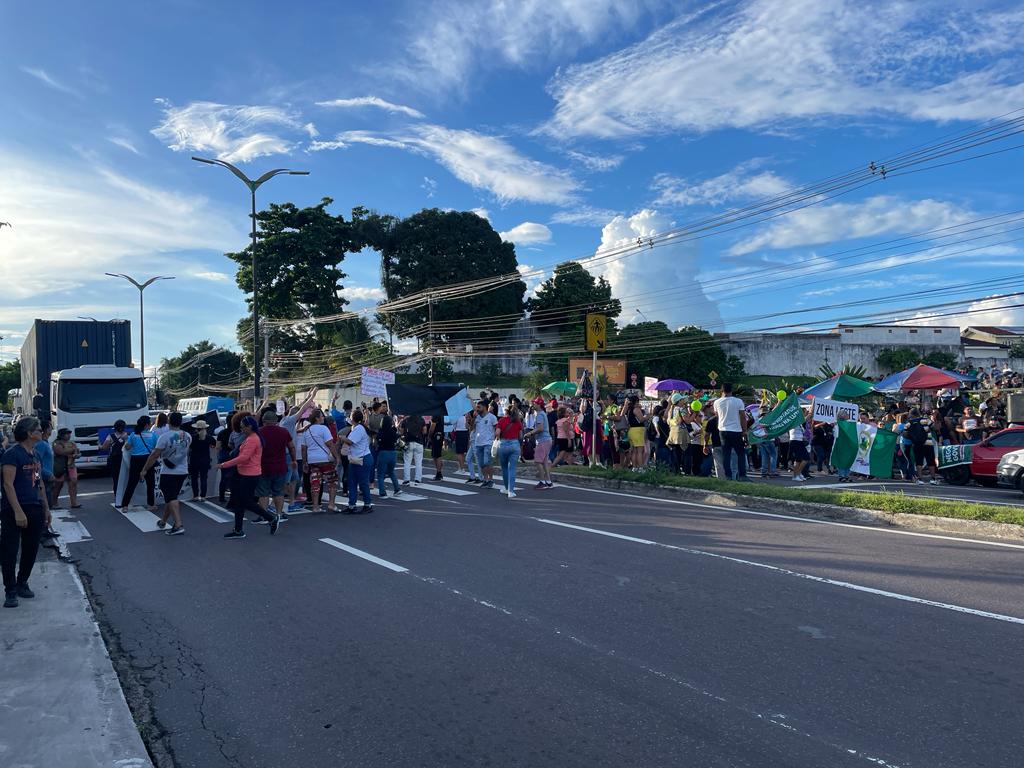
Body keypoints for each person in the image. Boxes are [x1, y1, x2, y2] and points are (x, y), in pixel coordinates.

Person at [2, 416, 50, 608]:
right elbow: (7, 484)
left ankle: (22, 582)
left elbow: (38, 484)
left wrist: (46, 508)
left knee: (31, 549)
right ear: (29, 433)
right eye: (38, 429)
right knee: (10, 551)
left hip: (35, 507)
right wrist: (18, 511)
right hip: (13, 509)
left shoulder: (35, 455)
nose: (41, 431)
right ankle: (10, 590)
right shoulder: (12, 454)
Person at [217, 415, 279, 539]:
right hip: (245, 473)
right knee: (240, 502)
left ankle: (270, 518)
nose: (241, 430)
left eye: (243, 427)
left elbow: (244, 457)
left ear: (249, 426)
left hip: (249, 474)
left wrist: (224, 464)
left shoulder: (253, 439)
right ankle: (238, 529)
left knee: (246, 502)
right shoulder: (251, 437)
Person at [143, 411, 191, 535]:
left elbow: (154, 455)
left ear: (169, 421)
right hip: (183, 471)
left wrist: (144, 469)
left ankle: (178, 525)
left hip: (168, 472)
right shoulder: (188, 436)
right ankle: (163, 521)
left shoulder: (164, 437)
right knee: (172, 498)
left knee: (171, 498)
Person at [257, 410, 295, 521]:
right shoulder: (283, 432)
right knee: (278, 492)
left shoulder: (259, 432)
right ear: (276, 421)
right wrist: (293, 460)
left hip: (263, 466)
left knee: (263, 493)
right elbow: (291, 447)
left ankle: (264, 516)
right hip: (280, 466)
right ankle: (278, 514)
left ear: (264, 421)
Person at [302, 409, 338, 514]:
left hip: (312, 460)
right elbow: (330, 444)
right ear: (317, 418)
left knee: (315, 482)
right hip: (325, 459)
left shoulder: (307, 430)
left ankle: (315, 506)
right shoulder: (324, 429)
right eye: (322, 416)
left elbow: (303, 448)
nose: (323, 418)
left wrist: (305, 462)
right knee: (332, 482)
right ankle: (331, 504)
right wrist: (337, 457)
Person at [120, 415, 157, 511]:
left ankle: (125, 505)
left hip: (135, 459)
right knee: (150, 483)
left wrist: (126, 440)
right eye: (149, 423)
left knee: (131, 483)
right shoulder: (153, 435)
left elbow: (127, 447)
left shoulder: (133, 434)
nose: (150, 425)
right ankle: (150, 504)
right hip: (148, 459)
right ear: (146, 425)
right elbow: (156, 448)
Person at [713, 383, 749, 481]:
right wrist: (744, 430)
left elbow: (717, 415)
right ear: (732, 390)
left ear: (721, 391)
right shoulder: (738, 401)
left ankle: (728, 476)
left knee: (726, 454)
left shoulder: (716, 402)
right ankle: (742, 475)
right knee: (740, 453)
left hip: (723, 430)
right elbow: (743, 417)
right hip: (736, 430)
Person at [341, 410, 374, 513]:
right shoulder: (358, 427)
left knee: (362, 483)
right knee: (352, 482)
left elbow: (350, 441)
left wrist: (342, 437)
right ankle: (352, 505)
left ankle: (367, 505)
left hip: (362, 458)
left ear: (353, 417)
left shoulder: (359, 429)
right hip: (357, 458)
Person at [495, 405, 524, 498]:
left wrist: (498, 438)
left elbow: (497, 433)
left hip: (503, 444)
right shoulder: (518, 422)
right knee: (512, 468)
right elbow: (520, 436)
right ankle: (511, 491)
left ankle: (506, 488)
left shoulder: (501, 420)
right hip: (514, 444)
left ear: (506, 412)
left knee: (504, 468)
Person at [52, 428, 81, 510]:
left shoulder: (72, 443)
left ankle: (74, 502)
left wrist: (77, 455)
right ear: (61, 435)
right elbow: (60, 452)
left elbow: (78, 453)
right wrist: (73, 451)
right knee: (58, 485)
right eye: (66, 434)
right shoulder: (56, 443)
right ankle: (54, 502)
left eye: (69, 433)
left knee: (73, 482)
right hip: (61, 467)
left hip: (71, 466)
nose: (68, 435)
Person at [375, 412, 402, 498]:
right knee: (391, 472)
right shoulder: (393, 431)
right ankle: (397, 489)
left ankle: (382, 493)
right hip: (393, 453)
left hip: (383, 453)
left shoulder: (380, 432)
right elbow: (397, 433)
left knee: (380, 474)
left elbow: (376, 443)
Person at [187, 420, 216, 501]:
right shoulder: (209, 438)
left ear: (196, 429)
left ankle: (195, 496)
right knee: (203, 478)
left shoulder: (192, 437)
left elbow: (189, 447)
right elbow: (214, 445)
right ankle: (203, 496)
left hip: (194, 460)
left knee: (194, 478)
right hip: (205, 460)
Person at [473, 400, 498, 489]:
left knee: (487, 462)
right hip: (478, 443)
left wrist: (496, 440)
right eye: (477, 407)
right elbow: (472, 428)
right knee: (481, 464)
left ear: (484, 407)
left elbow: (497, 428)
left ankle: (490, 480)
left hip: (488, 442)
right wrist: (473, 418)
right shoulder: (477, 417)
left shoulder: (492, 417)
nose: (477, 409)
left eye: (479, 407)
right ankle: (485, 480)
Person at [100, 420, 129, 496]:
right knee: (126, 478)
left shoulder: (111, 436)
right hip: (125, 459)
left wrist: (99, 445)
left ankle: (117, 496)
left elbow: (104, 447)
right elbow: (129, 447)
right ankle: (126, 495)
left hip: (114, 460)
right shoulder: (127, 436)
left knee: (116, 479)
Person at [401, 412, 426, 486]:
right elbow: (424, 431)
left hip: (408, 442)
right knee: (418, 462)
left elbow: (401, 432)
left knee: (407, 462)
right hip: (419, 442)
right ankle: (418, 480)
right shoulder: (421, 420)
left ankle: (406, 480)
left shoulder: (405, 420)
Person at [428, 414, 445, 481]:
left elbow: (433, 425)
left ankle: (439, 473)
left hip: (436, 435)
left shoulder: (435, 414)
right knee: (436, 454)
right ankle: (439, 471)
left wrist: (429, 435)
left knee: (437, 455)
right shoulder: (441, 414)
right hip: (440, 434)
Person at [453, 409, 470, 475]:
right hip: (465, 433)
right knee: (462, 452)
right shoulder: (466, 416)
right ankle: (461, 468)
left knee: (459, 452)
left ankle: (461, 468)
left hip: (459, 433)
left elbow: (454, 424)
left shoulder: (458, 416)